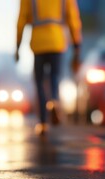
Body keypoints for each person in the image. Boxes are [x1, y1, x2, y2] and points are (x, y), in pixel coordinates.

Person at [16, 0, 82, 135]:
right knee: (55, 77)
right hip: (57, 41)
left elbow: (21, 20)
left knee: (39, 82)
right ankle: (54, 101)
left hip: (38, 43)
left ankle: (43, 123)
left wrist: (17, 45)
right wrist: (76, 45)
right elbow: (73, 19)